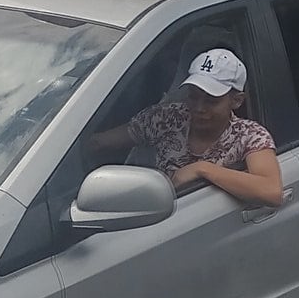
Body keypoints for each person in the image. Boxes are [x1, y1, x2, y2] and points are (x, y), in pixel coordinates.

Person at [89, 48, 284, 208]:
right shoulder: (168, 117)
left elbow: (272, 191)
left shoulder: (249, 135)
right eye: (193, 96)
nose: (199, 108)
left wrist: (202, 169)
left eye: (211, 100)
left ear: (236, 100)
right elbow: (98, 143)